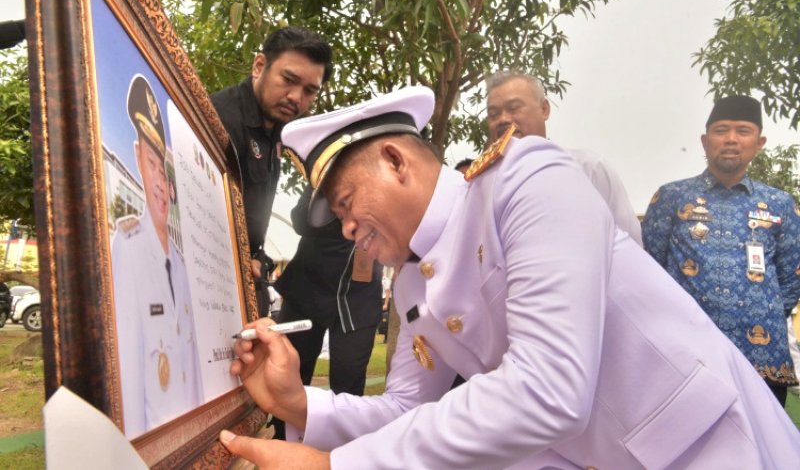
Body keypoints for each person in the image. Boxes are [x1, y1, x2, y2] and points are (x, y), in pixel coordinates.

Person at [219, 87, 800, 469]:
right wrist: (301, 405)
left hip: (708, 449)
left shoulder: (526, 179)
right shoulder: (415, 286)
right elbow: (404, 410)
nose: (346, 231)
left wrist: (336, 465)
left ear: (396, 161)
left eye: (347, 204)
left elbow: (549, 388)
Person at [642, 95, 800, 406]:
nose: (730, 139)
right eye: (721, 130)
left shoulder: (780, 204)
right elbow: (650, 271)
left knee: (762, 451)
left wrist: (754, 313)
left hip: (761, 357)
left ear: (759, 142)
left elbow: (791, 278)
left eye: (743, 131)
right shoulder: (672, 197)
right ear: (704, 141)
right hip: (687, 356)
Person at [210, 26, 333, 316]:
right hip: (215, 283)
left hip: (246, 277)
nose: (295, 97)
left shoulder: (278, 132)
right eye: (288, 80)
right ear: (259, 65)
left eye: (309, 91)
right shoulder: (219, 120)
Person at [111, 74, 203, 438]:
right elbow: (129, 371)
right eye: (151, 164)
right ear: (136, 158)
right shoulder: (129, 248)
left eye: (163, 169)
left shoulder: (179, 263)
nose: (161, 184)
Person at [269, 186, 382, 439]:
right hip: (307, 288)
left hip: (359, 301)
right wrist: (333, 193)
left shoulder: (389, 180)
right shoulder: (327, 173)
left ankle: (341, 454)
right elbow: (302, 221)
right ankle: (281, 446)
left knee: (349, 385)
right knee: (290, 373)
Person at [485, 70, 643, 245]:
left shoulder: (588, 168)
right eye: (493, 115)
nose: (503, 119)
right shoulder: (485, 186)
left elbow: (630, 242)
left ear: (544, 109)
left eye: (514, 108)